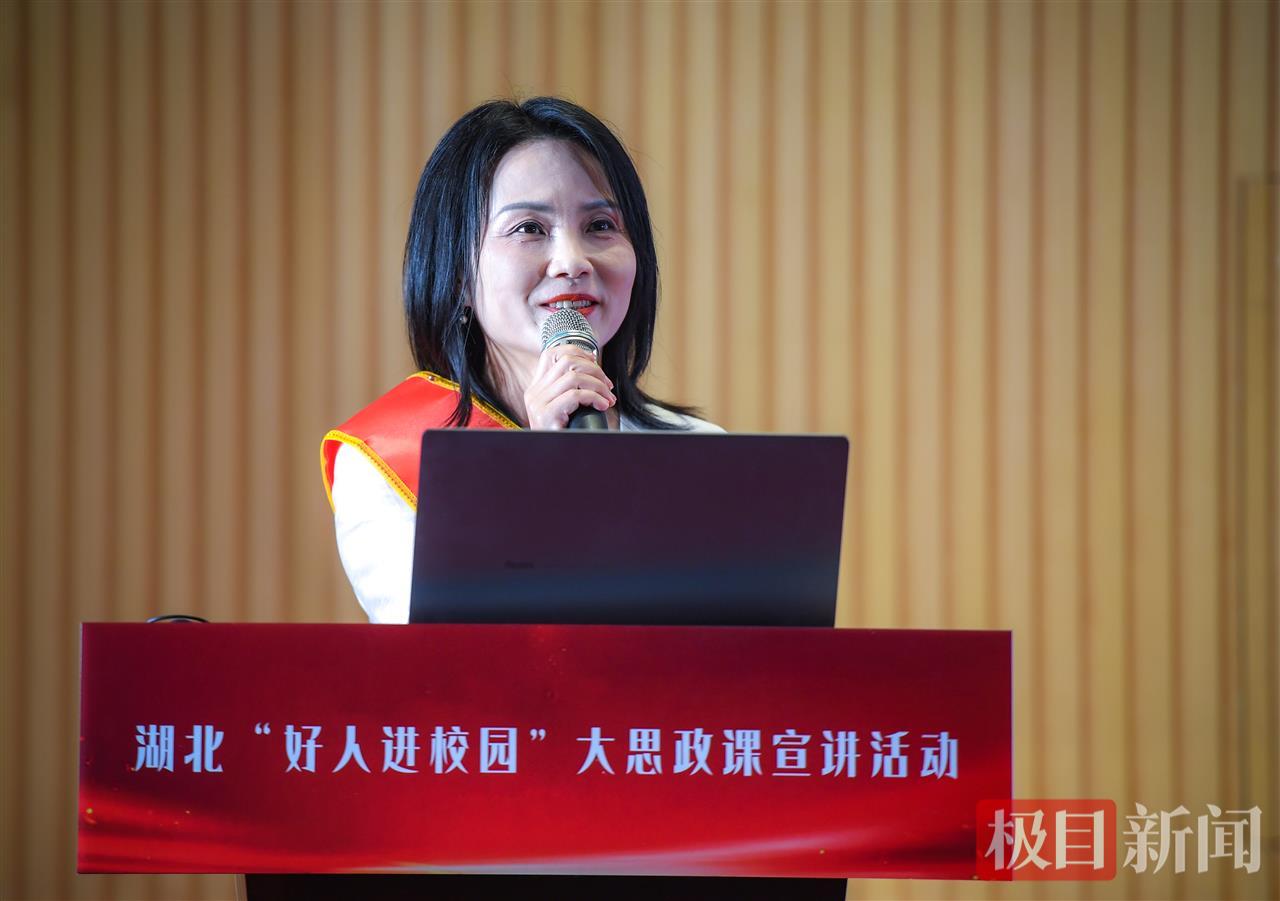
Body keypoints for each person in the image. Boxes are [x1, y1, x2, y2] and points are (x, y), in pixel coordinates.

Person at [321, 97, 721, 624]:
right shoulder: (385, 463)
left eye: (601, 225)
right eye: (529, 228)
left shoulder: (706, 453)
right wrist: (543, 471)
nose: (573, 261)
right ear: (458, 275)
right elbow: (453, 663)